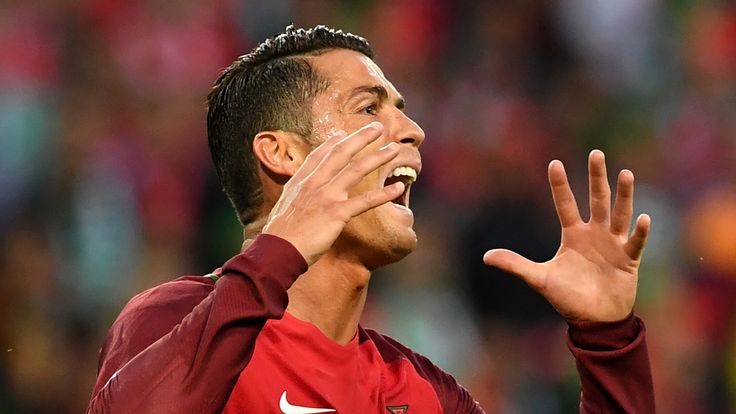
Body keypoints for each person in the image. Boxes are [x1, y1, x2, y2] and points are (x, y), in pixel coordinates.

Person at [87, 25, 655, 413]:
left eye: (401, 110)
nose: (413, 132)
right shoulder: (174, 318)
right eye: (368, 108)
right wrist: (278, 251)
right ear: (281, 153)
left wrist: (608, 345)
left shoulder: (422, 390)